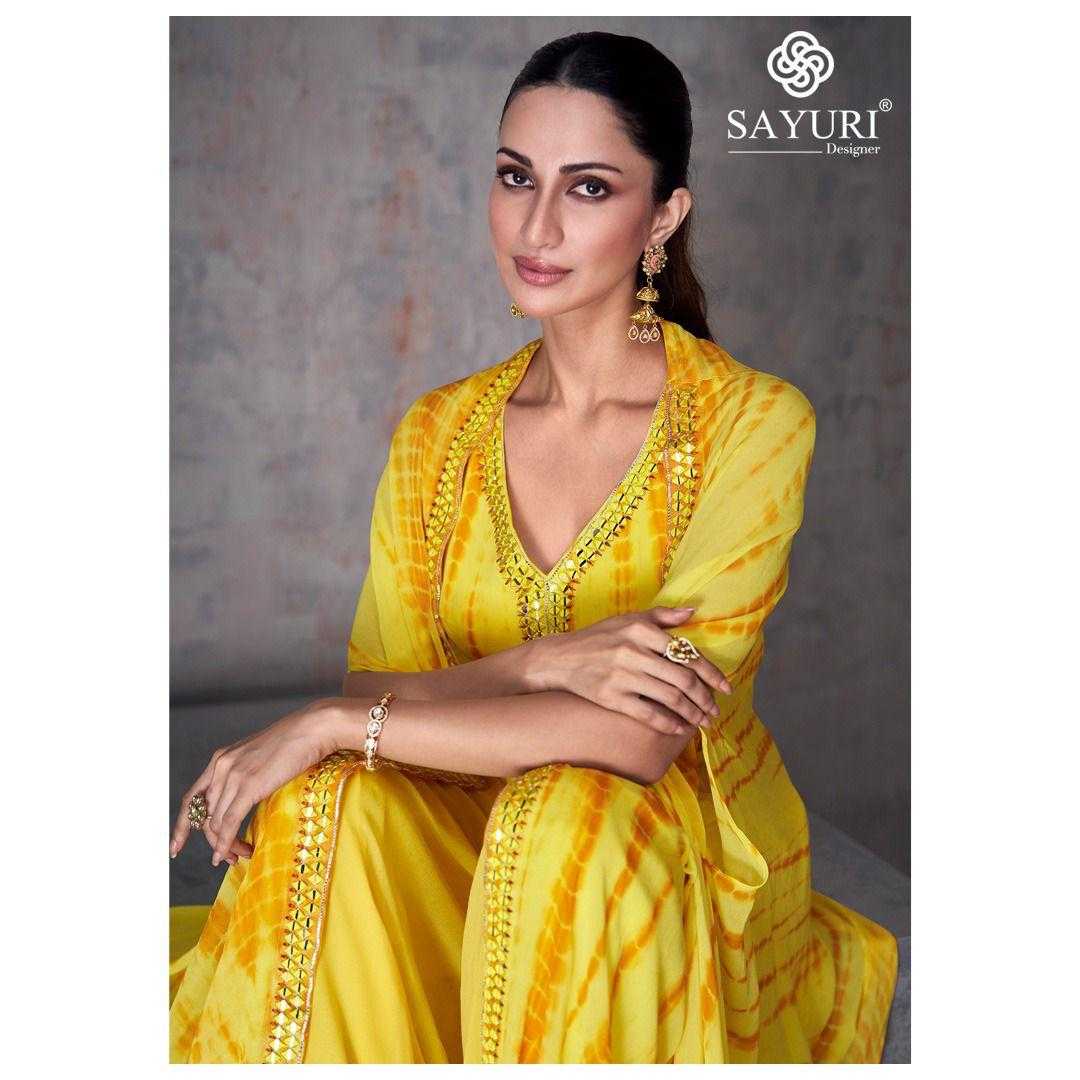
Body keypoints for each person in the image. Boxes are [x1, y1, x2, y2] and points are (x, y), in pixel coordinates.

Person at [168, 31, 898, 1064]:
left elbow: (638, 739)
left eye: (588, 188)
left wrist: (333, 720)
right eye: (517, 177)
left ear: (664, 216)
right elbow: (383, 684)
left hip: (643, 857)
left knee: (563, 816)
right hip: (458, 824)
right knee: (326, 799)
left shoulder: (752, 423)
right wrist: (547, 661)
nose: (537, 225)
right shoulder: (437, 433)